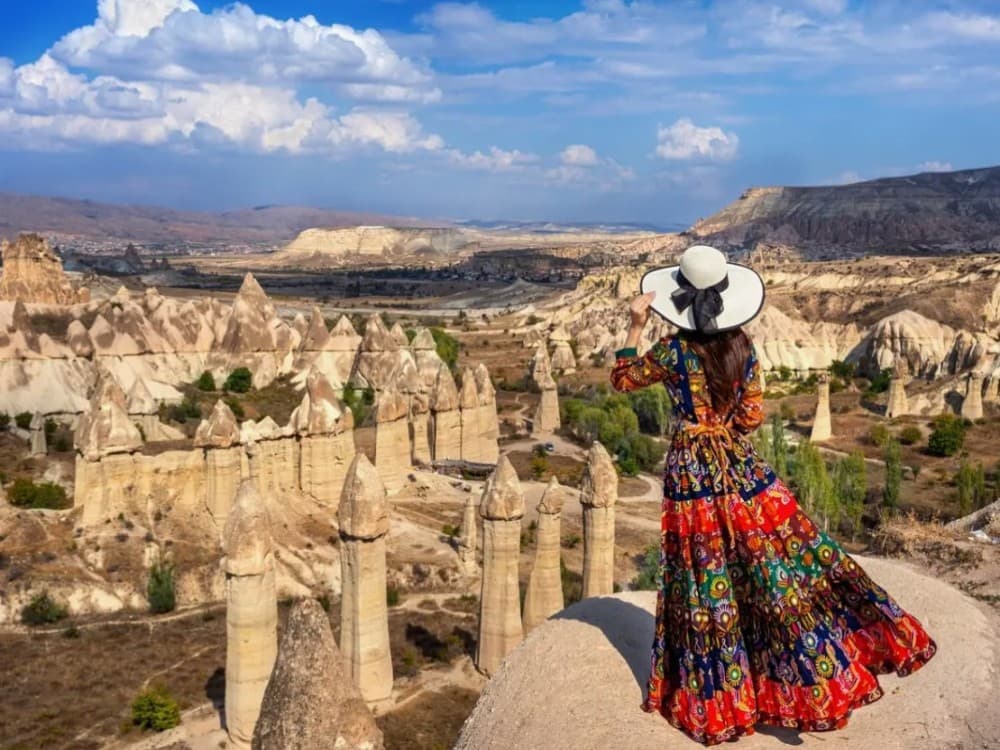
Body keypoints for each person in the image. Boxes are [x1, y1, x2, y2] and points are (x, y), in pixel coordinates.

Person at [610, 245, 936, 746]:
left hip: (691, 474)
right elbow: (752, 418)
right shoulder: (745, 349)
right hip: (739, 465)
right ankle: (817, 667)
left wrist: (634, 326)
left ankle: (720, 695)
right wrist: (726, 434)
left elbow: (621, 379)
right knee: (778, 557)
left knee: (704, 574)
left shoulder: (673, 352)